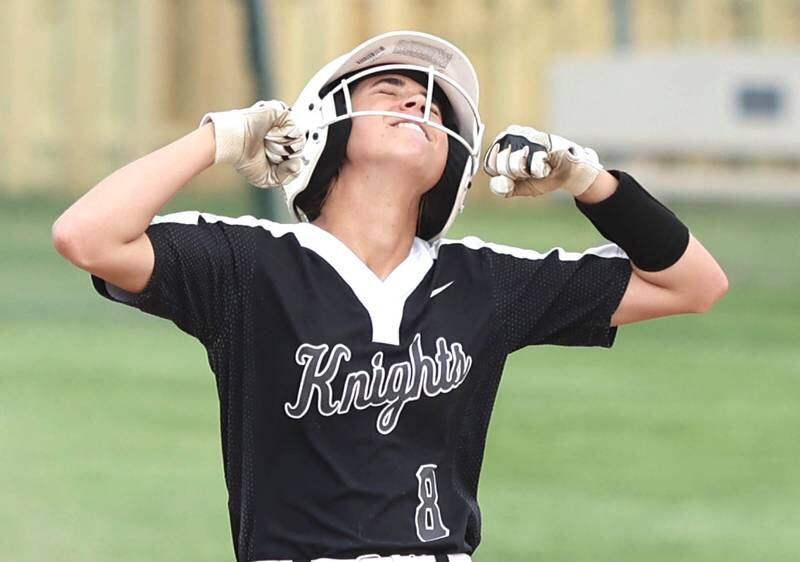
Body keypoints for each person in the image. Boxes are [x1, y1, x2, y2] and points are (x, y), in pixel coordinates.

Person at [52, 31, 728, 562]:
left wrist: (592, 182)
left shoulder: (485, 278)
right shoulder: (249, 263)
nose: (420, 105)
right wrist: (218, 138)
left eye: (434, 105)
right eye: (393, 89)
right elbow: (87, 235)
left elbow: (696, 283)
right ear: (321, 122)